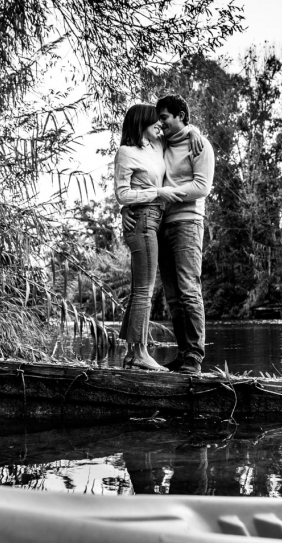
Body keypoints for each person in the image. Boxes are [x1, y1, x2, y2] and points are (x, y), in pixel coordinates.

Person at [113, 103, 185, 372]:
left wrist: (194, 135)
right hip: (141, 220)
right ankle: (140, 353)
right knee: (144, 291)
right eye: (155, 121)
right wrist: (156, 193)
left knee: (140, 291)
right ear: (141, 122)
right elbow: (122, 194)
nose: (159, 125)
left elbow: (181, 130)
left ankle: (133, 354)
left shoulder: (156, 146)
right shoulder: (126, 152)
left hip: (154, 219)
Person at [154, 94, 214, 375]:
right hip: (161, 225)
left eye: (164, 117)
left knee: (189, 290)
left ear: (180, 116)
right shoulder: (162, 144)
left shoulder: (200, 145)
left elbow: (201, 187)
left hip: (188, 223)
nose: (160, 123)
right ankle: (183, 354)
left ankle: (194, 357)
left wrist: (166, 194)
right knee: (173, 296)